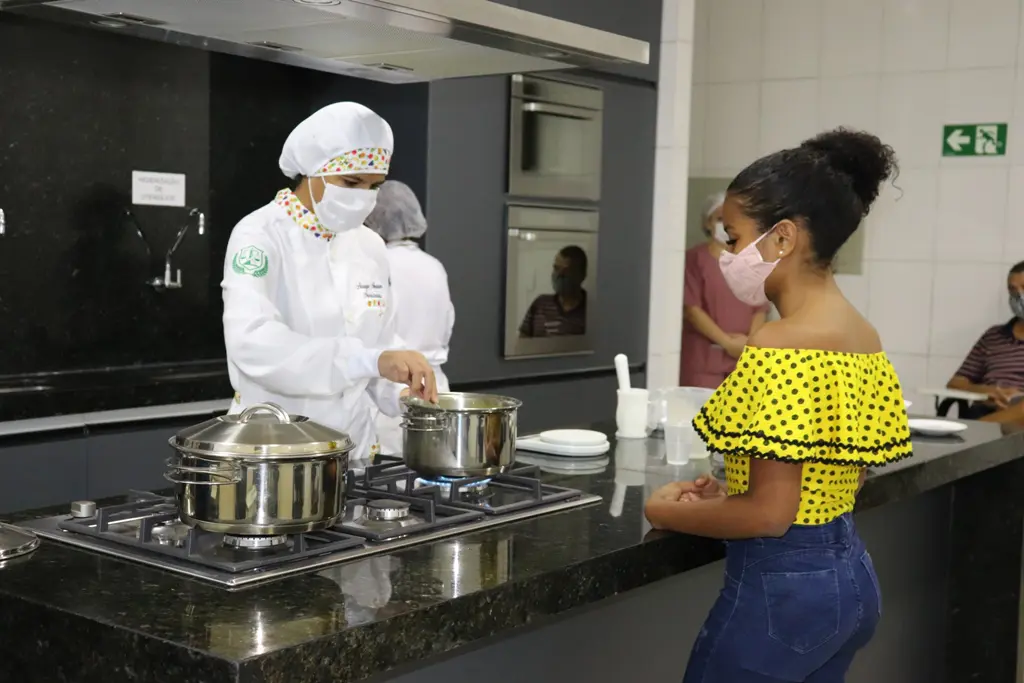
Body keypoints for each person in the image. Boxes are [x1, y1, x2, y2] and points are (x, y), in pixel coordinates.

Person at [644, 128, 912, 682]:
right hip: (850, 578)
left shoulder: (779, 343)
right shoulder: (862, 335)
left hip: (784, 593)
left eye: (735, 237)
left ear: (783, 238)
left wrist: (666, 511)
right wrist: (732, 492)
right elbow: (839, 477)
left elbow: (770, 515)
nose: (727, 254)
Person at [221, 102, 437, 460]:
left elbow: (377, 346)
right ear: (313, 171)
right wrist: (369, 360)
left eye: (374, 185)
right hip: (277, 455)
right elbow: (253, 343)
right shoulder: (259, 234)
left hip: (354, 454)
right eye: (351, 182)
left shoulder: (369, 245)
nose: (363, 197)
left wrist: (399, 392)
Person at [365, 180, 455, 455]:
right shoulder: (434, 265)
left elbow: (370, 332)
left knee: (390, 486)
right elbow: (447, 323)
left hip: (392, 393)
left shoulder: (377, 265)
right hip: (435, 387)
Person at [680, 191, 768, 388]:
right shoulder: (695, 259)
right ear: (707, 223)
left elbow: (760, 308)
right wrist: (727, 344)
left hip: (743, 361)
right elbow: (692, 310)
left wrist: (748, 345)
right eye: (720, 218)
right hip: (704, 363)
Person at [945, 260, 1024, 417]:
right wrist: (987, 392)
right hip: (986, 411)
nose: (1019, 296)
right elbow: (955, 384)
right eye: (1013, 290)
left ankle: (977, 435)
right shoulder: (994, 336)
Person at [519, 245, 588, 337]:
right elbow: (522, 344)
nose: (559, 275)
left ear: (581, 275)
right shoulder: (540, 304)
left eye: (566, 271)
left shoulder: (592, 309)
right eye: (556, 268)